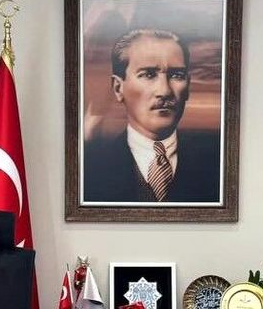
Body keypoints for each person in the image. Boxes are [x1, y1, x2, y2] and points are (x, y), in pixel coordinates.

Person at [82, 29, 221, 203]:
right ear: (118, 88)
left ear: (188, 87)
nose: (165, 91)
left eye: (177, 75)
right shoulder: (90, 167)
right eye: (148, 74)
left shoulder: (216, 162)